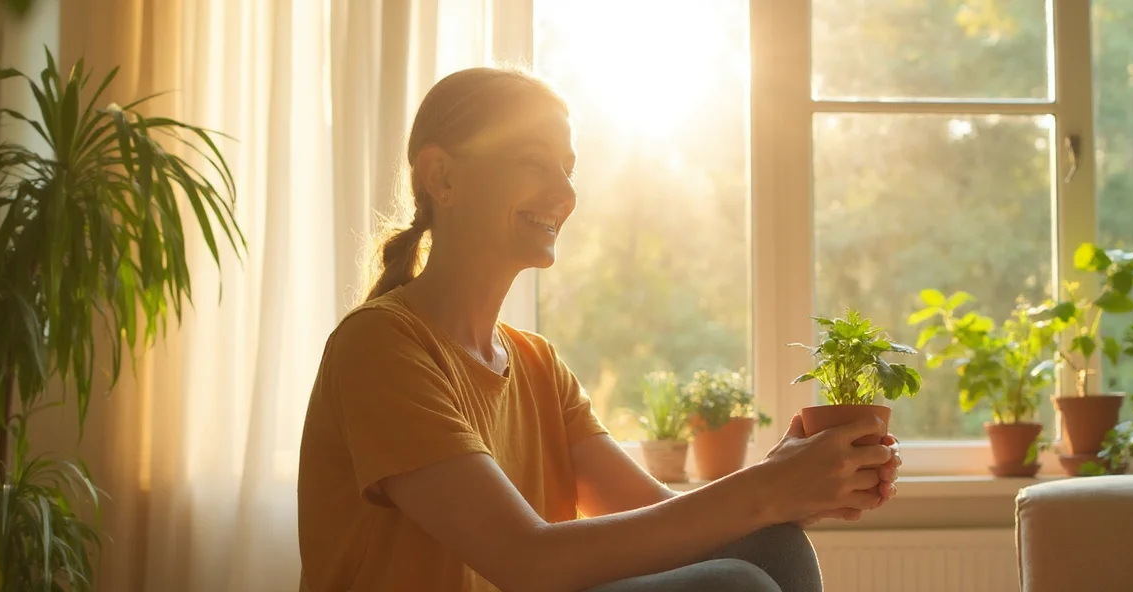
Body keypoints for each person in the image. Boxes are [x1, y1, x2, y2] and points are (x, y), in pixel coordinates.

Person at [297, 67, 904, 592]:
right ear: (443, 177)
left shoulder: (536, 364)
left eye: (568, 169)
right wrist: (766, 488)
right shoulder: (380, 346)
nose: (564, 193)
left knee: (774, 548)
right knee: (734, 585)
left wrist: (795, 483)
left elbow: (665, 522)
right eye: (534, 162)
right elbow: (524, 559)